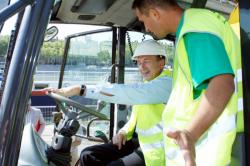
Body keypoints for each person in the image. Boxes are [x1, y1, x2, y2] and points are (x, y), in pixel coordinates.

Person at [132, 0, 241, 165]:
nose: (146, 28)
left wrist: (190, 135)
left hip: (206, 152)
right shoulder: (198, 25)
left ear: (154, 13)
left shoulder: (194, 29)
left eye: (143, 21)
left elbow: (222, 84)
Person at [48, 39, 172, 166]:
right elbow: (135, 119)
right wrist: (123, 132)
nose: (142, 67)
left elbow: (125, 92)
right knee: (88, 155)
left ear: (161, 62)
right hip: (138, 141)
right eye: (139, 63)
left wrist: (80, 89)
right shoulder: (148, 84)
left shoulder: (167, 84)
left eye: (146, 61)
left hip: (155, 150)